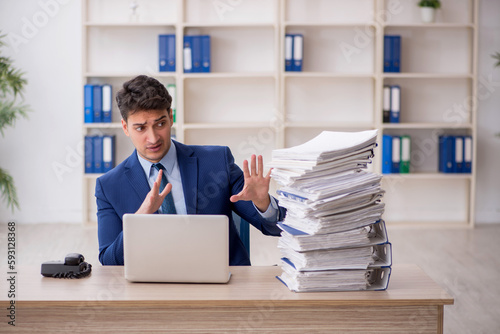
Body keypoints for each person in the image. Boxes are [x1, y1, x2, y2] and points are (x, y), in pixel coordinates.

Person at [96, 75, 286, 266]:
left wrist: (263, 203)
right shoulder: (109, 186)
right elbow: (109, 261)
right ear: (125, 127)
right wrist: (139, 219)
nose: (153, 138)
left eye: (160, 124)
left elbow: (275, 228)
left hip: (221, 283)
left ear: (171, 117)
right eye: (140, 128)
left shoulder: (216, 162)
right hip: (153, 285)